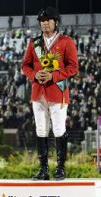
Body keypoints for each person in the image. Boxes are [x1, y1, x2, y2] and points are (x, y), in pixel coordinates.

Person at [21, 6, 78, 180]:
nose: (45, 24)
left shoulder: (66, 42)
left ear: (56, 22)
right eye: (42, 21)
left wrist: (53, 76)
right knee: (41, 130)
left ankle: (60, 168)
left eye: (48, 21)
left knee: (59, 129)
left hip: (58, 92)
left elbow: (73, 67)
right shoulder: (34, 43)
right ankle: (43, 169)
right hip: (38, 92)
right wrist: (34, 74)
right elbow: (25, 66)